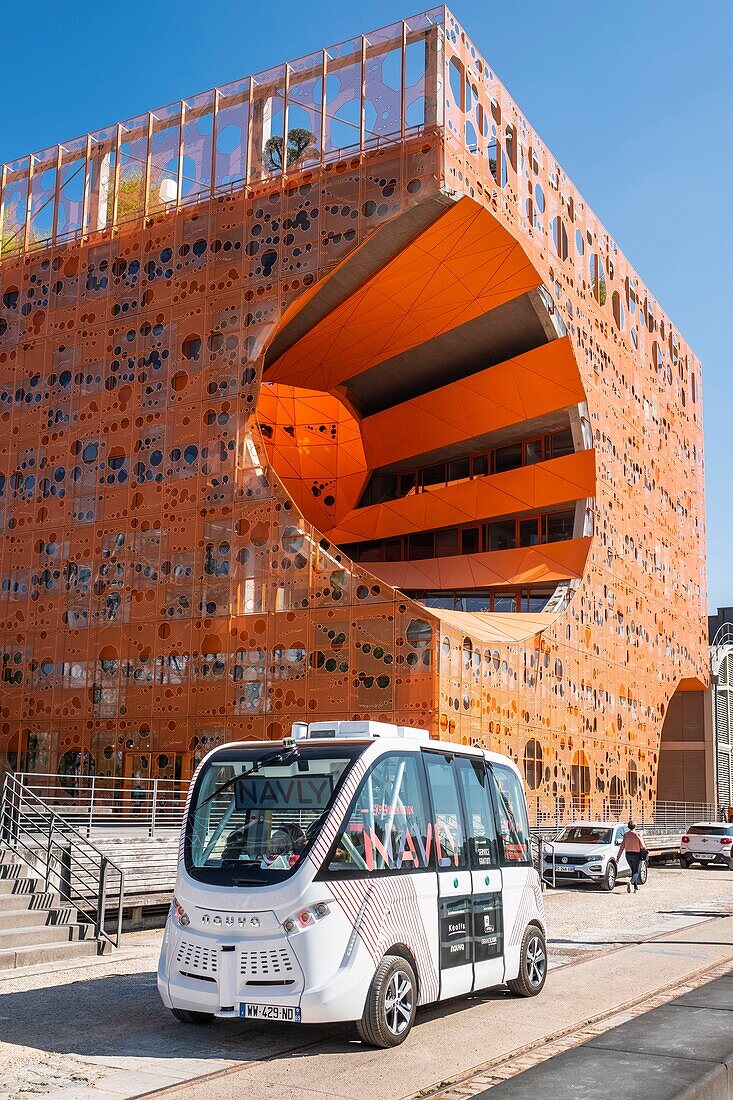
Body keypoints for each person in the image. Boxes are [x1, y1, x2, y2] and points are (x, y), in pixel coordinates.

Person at [617, 820, 646, 893]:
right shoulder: (637, 834)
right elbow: (642, 846)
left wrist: (618, 857)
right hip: (636, 854)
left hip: (628, 854)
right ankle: (631, 882)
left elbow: (622, 846)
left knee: (633, 870)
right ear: (635, 826)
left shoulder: (626, 835)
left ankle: (636, 888)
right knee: (636, 871)